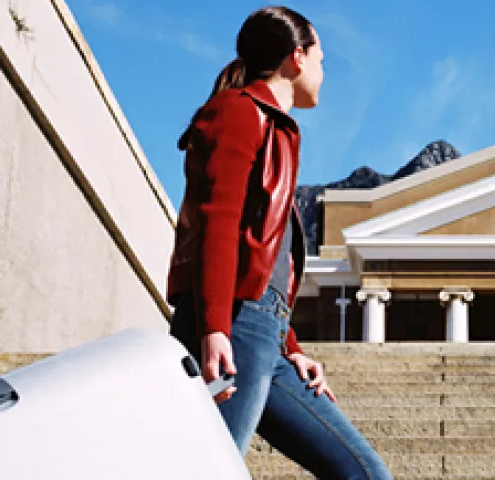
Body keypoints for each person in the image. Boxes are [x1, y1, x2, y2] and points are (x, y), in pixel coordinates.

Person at [166, 6, 392, 479]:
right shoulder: (237, 112)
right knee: (210, 469)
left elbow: (265, 260)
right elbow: (218, 223)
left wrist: (290, 346)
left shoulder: (277, 128)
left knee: (364, 472)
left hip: (264, 334)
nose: (324, 72)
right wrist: (214, 329)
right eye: (322, 58)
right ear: (296, 57)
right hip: (233, 325)